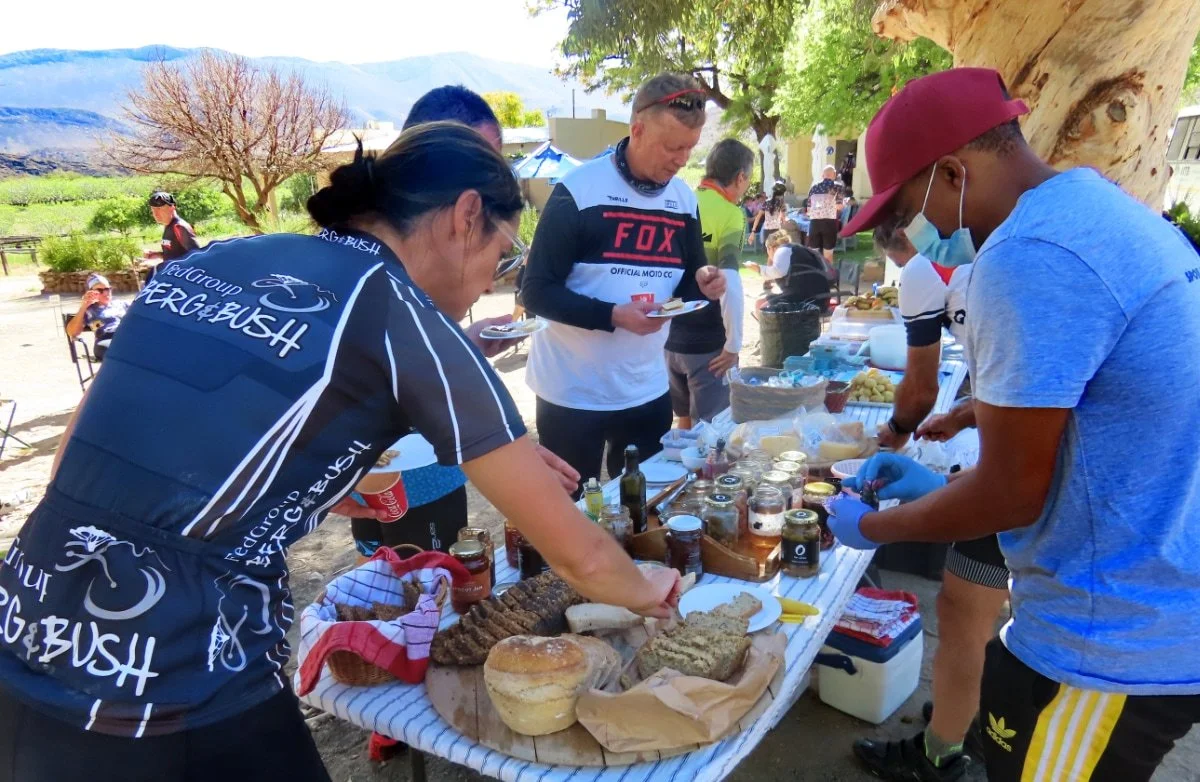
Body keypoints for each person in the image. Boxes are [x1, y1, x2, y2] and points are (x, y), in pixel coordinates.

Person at [0, 123, 680, 782]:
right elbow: (579, 555)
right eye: (501, 258)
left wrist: (320, 494)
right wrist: (647, 586)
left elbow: (84, 458)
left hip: (24, 631)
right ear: (465, 216)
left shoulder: (216, 259)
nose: (485, 286)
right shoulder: (402, 314)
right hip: (176, 675)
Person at [829, 67, 1200, 782]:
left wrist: (874, 528)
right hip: (1159, 591)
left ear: (951, 171)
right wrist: (969, 433)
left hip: (1112, 637)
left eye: (907, 208)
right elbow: (1108, 396)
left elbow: (1012, 494)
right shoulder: (1100, 207)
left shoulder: (1027, 256)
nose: (923, 231)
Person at [348, 84, 562, 564]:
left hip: (444, 468)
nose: (490, 188)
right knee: (404, 594)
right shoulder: (375, 277)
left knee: (449, 578)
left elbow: (420, 370)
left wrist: (464, 344)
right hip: (395, 477)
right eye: (474, 161)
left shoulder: (425, 270)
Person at [521, 73, 725, 489]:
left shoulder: (683, 200)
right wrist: (614, 315)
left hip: (646, 390)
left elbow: (686, 286)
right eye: (672, 147)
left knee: (642, 505)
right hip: (572, 394)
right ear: (637, 130)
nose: (681, 160)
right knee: (572, 510)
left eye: (689, 148)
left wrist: (702, 285)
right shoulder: (577, 190)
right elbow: (536, 291)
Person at [857, 220, 1006, 781]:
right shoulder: (1008, 252)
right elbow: (1020, 381)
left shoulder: (926, 271)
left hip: (1034, 467)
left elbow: (919, 389)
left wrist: (875, 523)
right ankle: (971, 714)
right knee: (983, 612)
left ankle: (939, 755)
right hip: (1028, 448)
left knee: (964, 610)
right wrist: (966, 414)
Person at [665, 138, 753, 428]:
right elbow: (729, 281)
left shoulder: (680, 202)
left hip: (670, 342)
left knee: (685, 426)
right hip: (709, 346)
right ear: (740, 178)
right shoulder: (731, 214)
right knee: (714, 434)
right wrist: (733, 344)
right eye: (748, 180)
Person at [746, 230, 832, 310]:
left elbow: (778, 271)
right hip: (819, 296)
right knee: (759, 303)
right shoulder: (795, 249)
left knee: (763, 308)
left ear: (771, 248)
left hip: (807, 299)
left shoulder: (782, 251)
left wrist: (758, 268)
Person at [64, 273, 128, 361]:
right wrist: (83, 306)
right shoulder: (89, 310)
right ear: (91, 292)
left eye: (107, 289)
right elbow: (72, 332)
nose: (106, 293)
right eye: (100, 290)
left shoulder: (121, 304)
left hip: (126, 336)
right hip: (106, 339)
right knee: (121, 351)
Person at [143, 191, 199, 278]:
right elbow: (175, 254)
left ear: (172, 207)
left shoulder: (179, 227)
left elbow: (197, 256)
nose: (155, 214)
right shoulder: (168, 226)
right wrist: (157, 254)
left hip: (185, 278)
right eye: (153, 210)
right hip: (174, 276)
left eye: (159, 209)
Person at [807, 165, 845, 264]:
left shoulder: (813, 188)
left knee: (814, 254)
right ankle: (829, 277)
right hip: (829, 222)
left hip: (814, 222)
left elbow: (808, 209)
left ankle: (815, 276)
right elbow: (839, 206)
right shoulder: (837, 186)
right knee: (828, 254)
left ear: (822, 175)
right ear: (834, 175)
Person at [751, 181, 788, 247]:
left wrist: (753, 231)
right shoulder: (781, 204)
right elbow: (783, 220)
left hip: (766, 231)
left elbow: (757, 217)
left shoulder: (766, 203)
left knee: (768, 253)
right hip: (776, 231)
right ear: (782, 194)